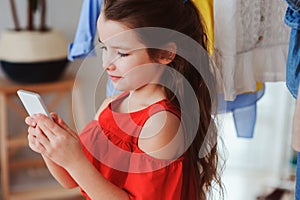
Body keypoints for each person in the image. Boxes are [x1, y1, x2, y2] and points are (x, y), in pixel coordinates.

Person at [25, 0, 223, 199]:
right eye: (104, 48)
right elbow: (72, 179)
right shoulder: (110, 106)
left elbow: (81, 171)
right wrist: (51, 148)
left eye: (121, 53)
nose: (107, 64)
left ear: (165, 53)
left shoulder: (160, 125)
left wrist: (75, 161)